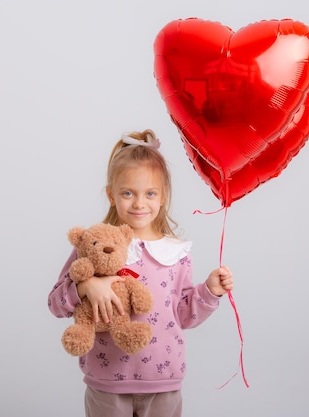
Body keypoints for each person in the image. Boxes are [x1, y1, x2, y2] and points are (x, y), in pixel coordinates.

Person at [47, 129, 234, 417]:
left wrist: (209, 291)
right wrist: (86, 288)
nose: (139, 203)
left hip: (163, 382)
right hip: (107, 382)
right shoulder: (95, 245)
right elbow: (55, 304)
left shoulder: (177, 253)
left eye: (150, 193)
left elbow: (183, 315)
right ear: (111, 195)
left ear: (162, 197)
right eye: (127, 193)